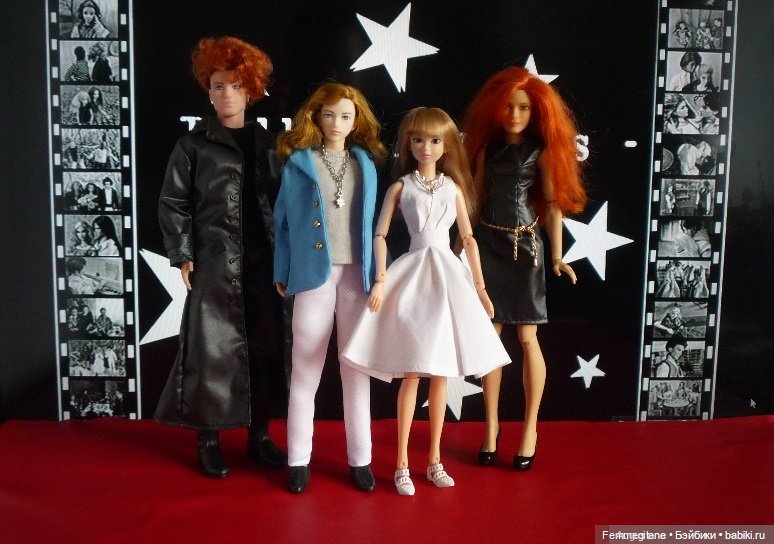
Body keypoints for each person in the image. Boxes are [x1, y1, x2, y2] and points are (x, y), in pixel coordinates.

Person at [342, 108, 510, 495]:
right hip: (413, 275)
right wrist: (380, 279)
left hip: (448, 277)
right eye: (418, 140)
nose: (426, 147)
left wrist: (480, 288)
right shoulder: (401, 187)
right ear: (409, 144)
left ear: (447, 145)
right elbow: (380, 235)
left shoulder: (452, 188)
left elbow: (468, 239)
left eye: (435, 140)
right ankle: (401, 463)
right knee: (413, 373)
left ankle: (434, 460)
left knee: (441, 373)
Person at [156, 36, 287, 479]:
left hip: (264, 262)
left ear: (251, 90)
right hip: (214, 261)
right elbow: (173, 201)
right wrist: (183, 253)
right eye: (218, 86)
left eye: (235, 85)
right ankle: (208, 439)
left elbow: (285, 205)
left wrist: (288, 259)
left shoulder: (272, 145)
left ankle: (259, 435)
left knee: (265, 346)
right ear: (207, 90)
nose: (226, 94)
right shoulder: (193, 145)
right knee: (209, 350)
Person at [463, 66, 587, 470]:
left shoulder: (540, 152)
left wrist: (557, 255)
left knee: (528, 337)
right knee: (490, 337)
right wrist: (460, 243)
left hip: (525, 248)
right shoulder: (487, 152)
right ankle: (491, 426)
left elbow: (551, 204)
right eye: (508, 107)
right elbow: (475, 202)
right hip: (488, 245)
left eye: (523, 108)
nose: (514, 115)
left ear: (535, 112)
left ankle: (530, 427)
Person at [273, 82, 388, 493]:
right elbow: (282, 223)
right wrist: (283, 269)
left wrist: (379, 273)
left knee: (356, 369)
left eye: (345, 116)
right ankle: (298, 459)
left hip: (357, 275)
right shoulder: (300, 163)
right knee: (305, 367)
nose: (337, 123)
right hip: (312, 275)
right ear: (316, 117)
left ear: (356, 121)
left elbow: (375, 226)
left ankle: (361, 458)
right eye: (329, 115)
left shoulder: (365, 164)